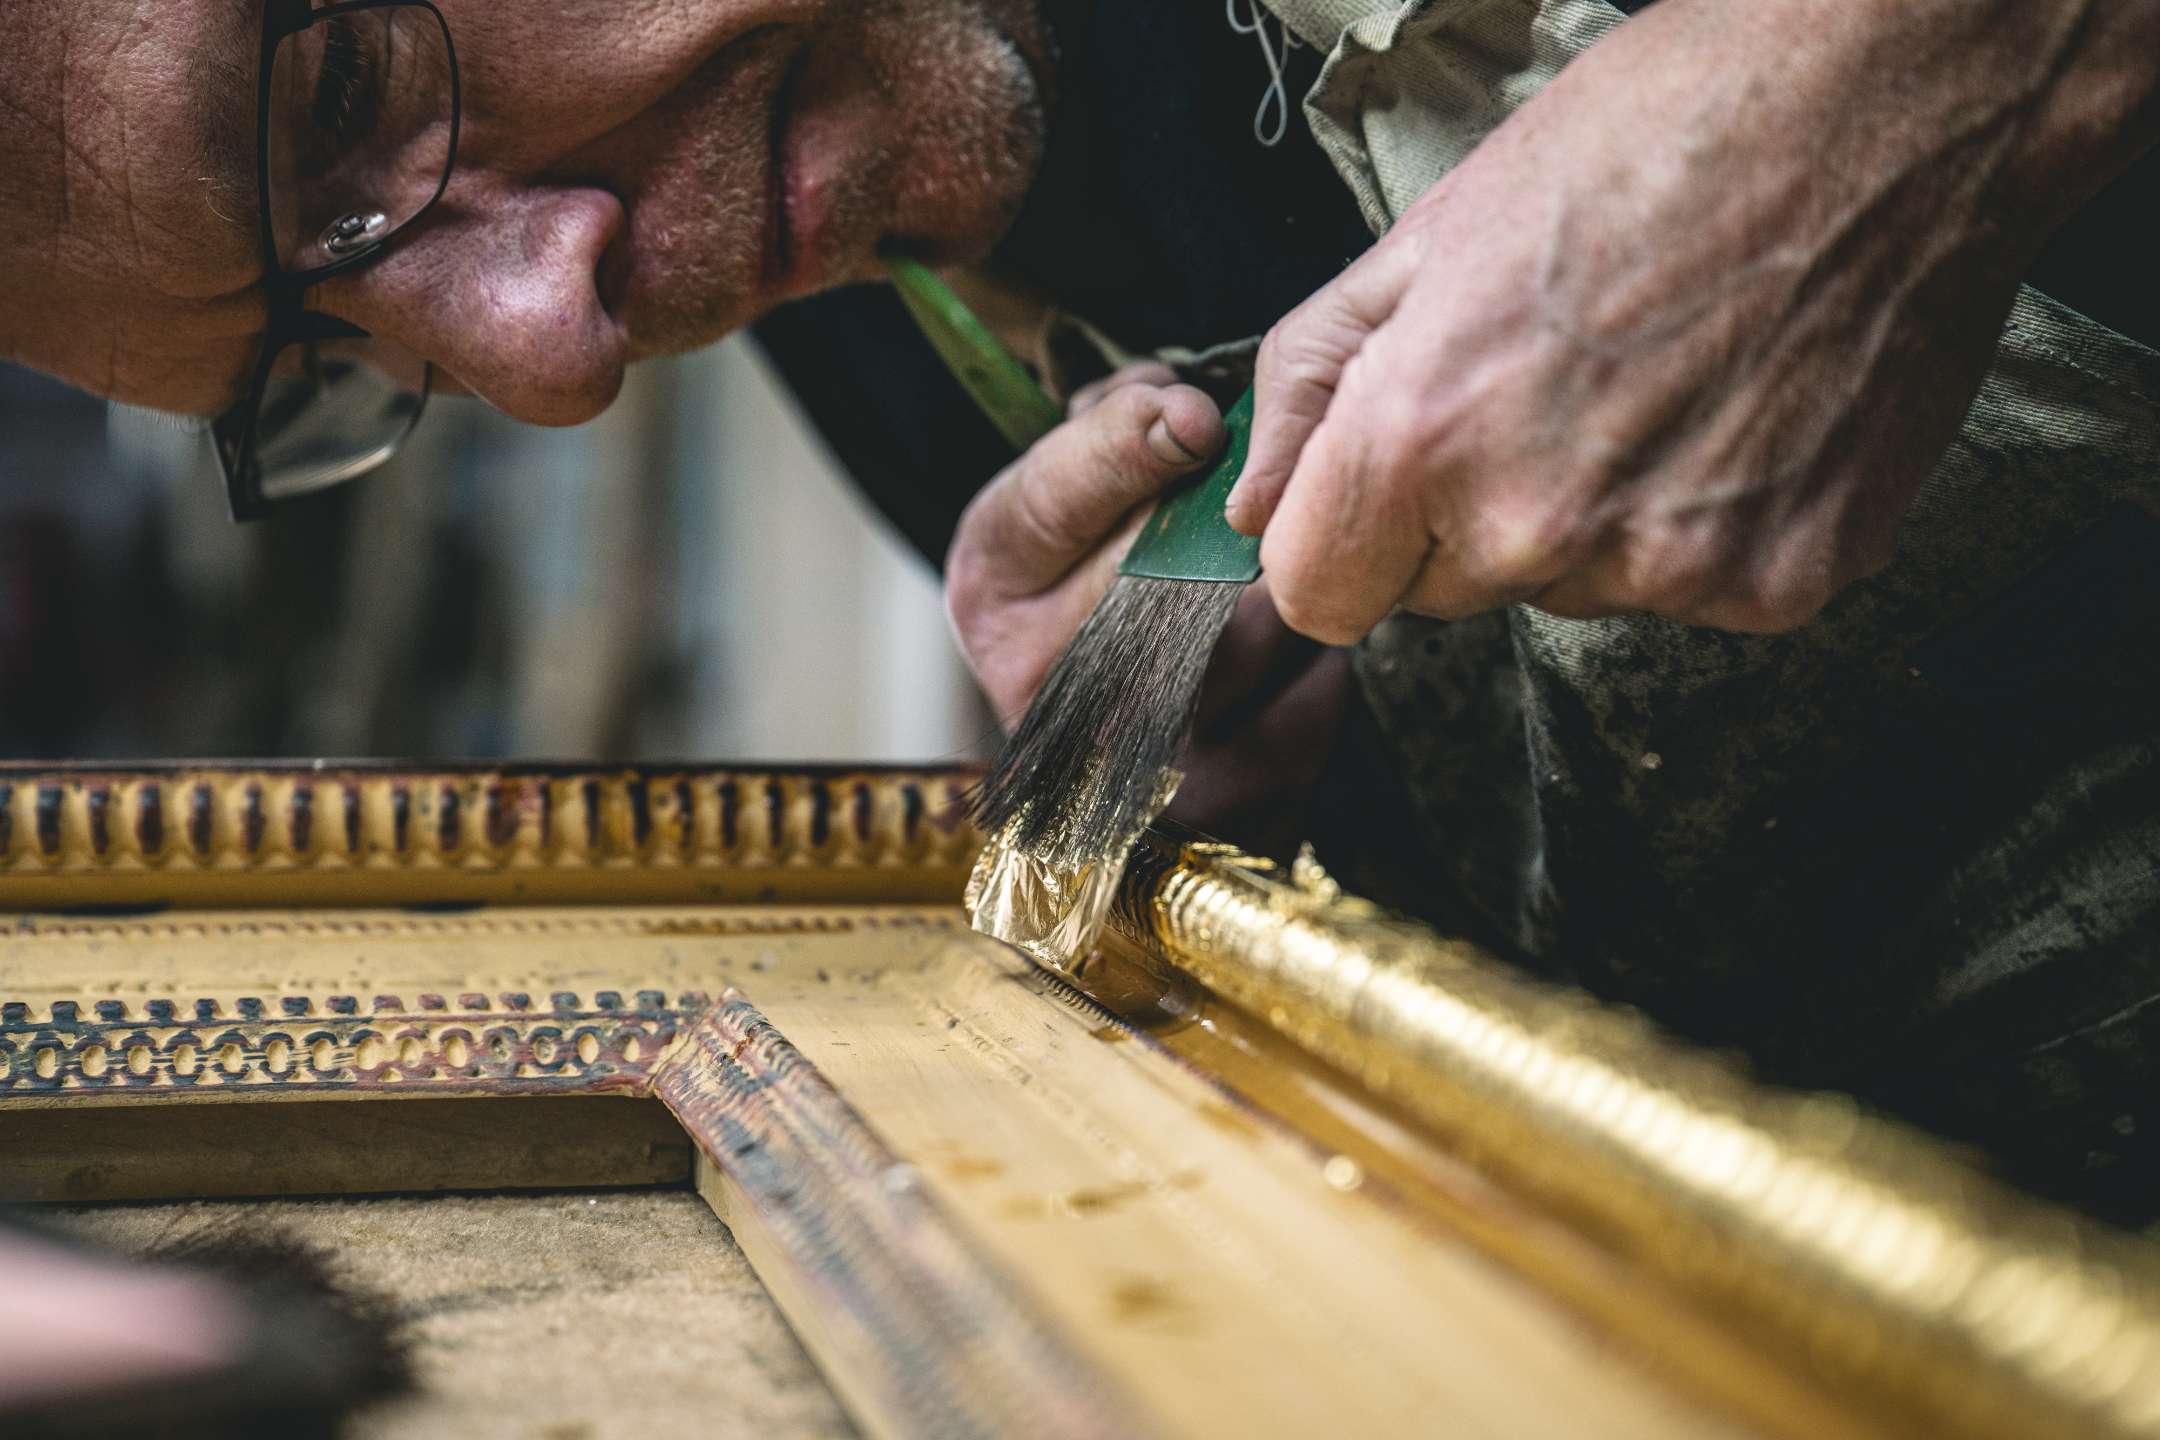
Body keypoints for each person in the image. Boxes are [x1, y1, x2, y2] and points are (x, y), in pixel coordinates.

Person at [3, 0, 2157, 1218]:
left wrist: (1917, 71)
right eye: (336, 364)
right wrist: (1319, 780)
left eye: (339, 94)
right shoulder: (814, 235)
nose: (545, 355)